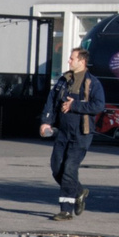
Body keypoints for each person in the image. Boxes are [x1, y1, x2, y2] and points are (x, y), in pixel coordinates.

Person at [39, 46, 106, 220]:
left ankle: (66, 210)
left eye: (72, 58)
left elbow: (99, 106)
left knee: (69, 169)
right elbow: (51, 102)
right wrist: (46, 122)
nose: (68, 61)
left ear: (82, 61)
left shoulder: (93, 83)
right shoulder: (63, 80)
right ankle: (79, 192)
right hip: (63, 132)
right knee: (56, 168)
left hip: (82, 133)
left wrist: (74, 105)